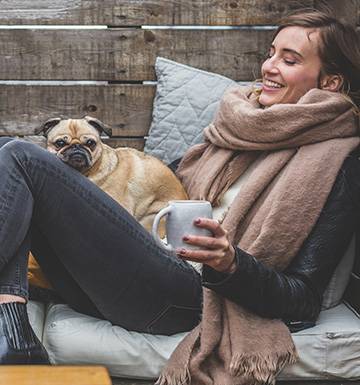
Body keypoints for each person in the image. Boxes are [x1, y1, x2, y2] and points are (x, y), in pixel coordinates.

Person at [0, 9, 358, 382]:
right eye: (270, 53)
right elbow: (168, 181)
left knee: (20, 156)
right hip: (138, 272)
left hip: (190, 297)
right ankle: (12, 324)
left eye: (289, 59)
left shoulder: (338, 163)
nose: (269, 66)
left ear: (329, 82)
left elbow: (303, 300)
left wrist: (232, 264)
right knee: (11, 153)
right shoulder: (238, 128)